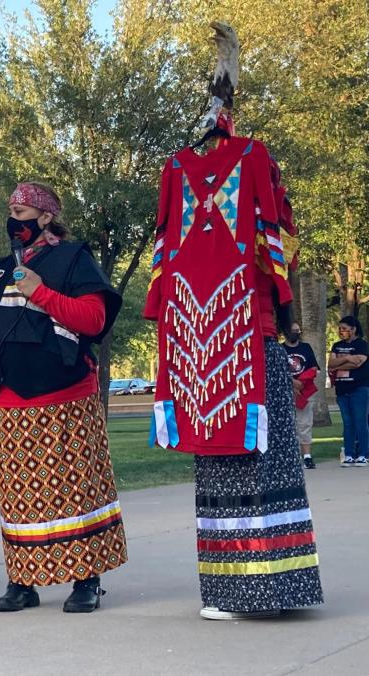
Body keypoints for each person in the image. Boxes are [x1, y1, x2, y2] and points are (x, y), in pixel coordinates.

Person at [0, 182, 127, 613]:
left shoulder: (74, 259)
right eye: (10, 211)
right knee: (17, 495)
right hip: (7, 401)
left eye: (21, 211)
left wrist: (40, 291)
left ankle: (86, 579)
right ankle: (23, 581)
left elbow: (93, 319)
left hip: (65, 395)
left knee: (74, 489)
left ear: (46, 217)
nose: (13, 220)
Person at [144, 131, 322, 619]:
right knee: (225, 466)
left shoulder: (251, 160)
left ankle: (272, 588)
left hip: (242, 343)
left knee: (264, 457)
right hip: (201, 348)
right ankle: (240, 590)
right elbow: (281, 255)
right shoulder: (177, 171)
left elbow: (280, 253)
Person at [328, 315, 369, 467]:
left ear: (353, 329)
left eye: (344, 329)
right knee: (347, 423)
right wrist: (347, 359)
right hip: (341, 389)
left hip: (359, 388)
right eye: (340, 329)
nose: (341, 332)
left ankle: (364, 454)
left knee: (360, 422)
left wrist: (340, 362)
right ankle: (349, 455)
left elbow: (358, 363)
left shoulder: (362, 344)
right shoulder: (336, 346)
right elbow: (331, 364)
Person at [282, 322, 320, 469]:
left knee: (305, 424)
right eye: (293, 331)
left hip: (304, 391)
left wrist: (301, 382)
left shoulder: (305, 347)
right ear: (286, 332)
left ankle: (307, 457)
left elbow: (313, 368)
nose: (296, 333)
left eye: (298, 331)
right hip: (285, 392)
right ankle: (290, 458)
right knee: (287, 426)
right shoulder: (280, 349)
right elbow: (276, 371)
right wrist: (292, 382)